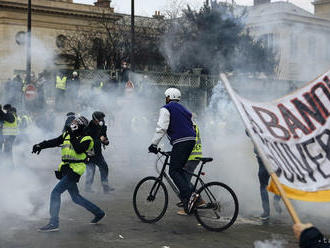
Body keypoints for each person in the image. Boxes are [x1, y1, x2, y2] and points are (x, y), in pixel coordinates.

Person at [32, 116, 105, 232]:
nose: (72, 123)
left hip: (75, 170)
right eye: (73, 122)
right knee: (75, 197)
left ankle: (53, 223)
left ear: (81, 125)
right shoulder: (67, 134)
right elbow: (54, 141)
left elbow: (79, 149)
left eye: (76, 122)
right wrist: (40, 145)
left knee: (55, 192)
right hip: (66, 168)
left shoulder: (87, 138)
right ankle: (99, 212)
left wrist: (71, 134)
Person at [148, 88, 197, 214]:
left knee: (173, 171)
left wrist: (153, 144)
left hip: (181, 141)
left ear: (168, 97)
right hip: (191, 139)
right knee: (179, 169)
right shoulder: (184, 109)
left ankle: (190, 196)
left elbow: (161, 127)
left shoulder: (166, 108)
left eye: (166, 97)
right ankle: (189, 199)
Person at [246, 129, 281, 221]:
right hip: (275, 160)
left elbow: (247, 132)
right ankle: (276, 199)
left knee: (263, 186)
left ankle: (266, 213)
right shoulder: (270, 127)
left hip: (264, 161)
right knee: (280, 183)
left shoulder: (254, 127)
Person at [177, 121, 203, 216]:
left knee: (184, 182)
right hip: (195, 155)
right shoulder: (193, 124)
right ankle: (197, 200)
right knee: (186, 180)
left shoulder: (186, 124)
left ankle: (190, 206)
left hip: (190, 156)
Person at [85, 111, 113, 193]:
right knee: (91, 169)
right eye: (101, 118)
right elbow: (87, 141)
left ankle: (105, 187)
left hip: (97, 152)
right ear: (95, 119)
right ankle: (88, 188)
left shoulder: (103, 127)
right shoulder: (88, 128)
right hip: (89, 152)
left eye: (103, 118)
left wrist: (106, 142)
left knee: (104, 167)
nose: (102, 120)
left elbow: (104, 138)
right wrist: (99, 140)